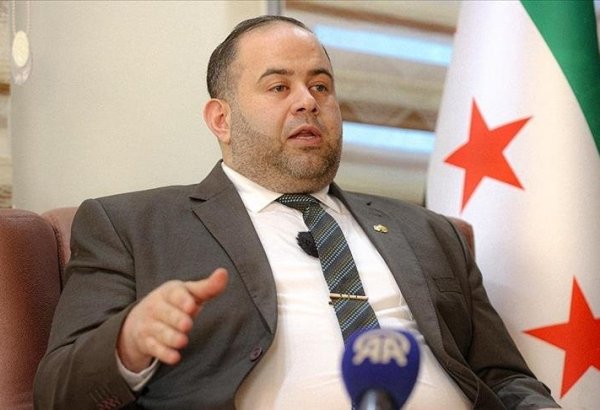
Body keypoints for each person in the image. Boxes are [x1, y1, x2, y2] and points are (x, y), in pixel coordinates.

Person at [34, 15, 560, 410]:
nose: (308, 101)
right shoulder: (132, 225)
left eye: (321, 86)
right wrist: (128, 342)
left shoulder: (431, 232)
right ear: (221, 119)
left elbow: (505, 378)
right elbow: (56, 392)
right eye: (279, 86)